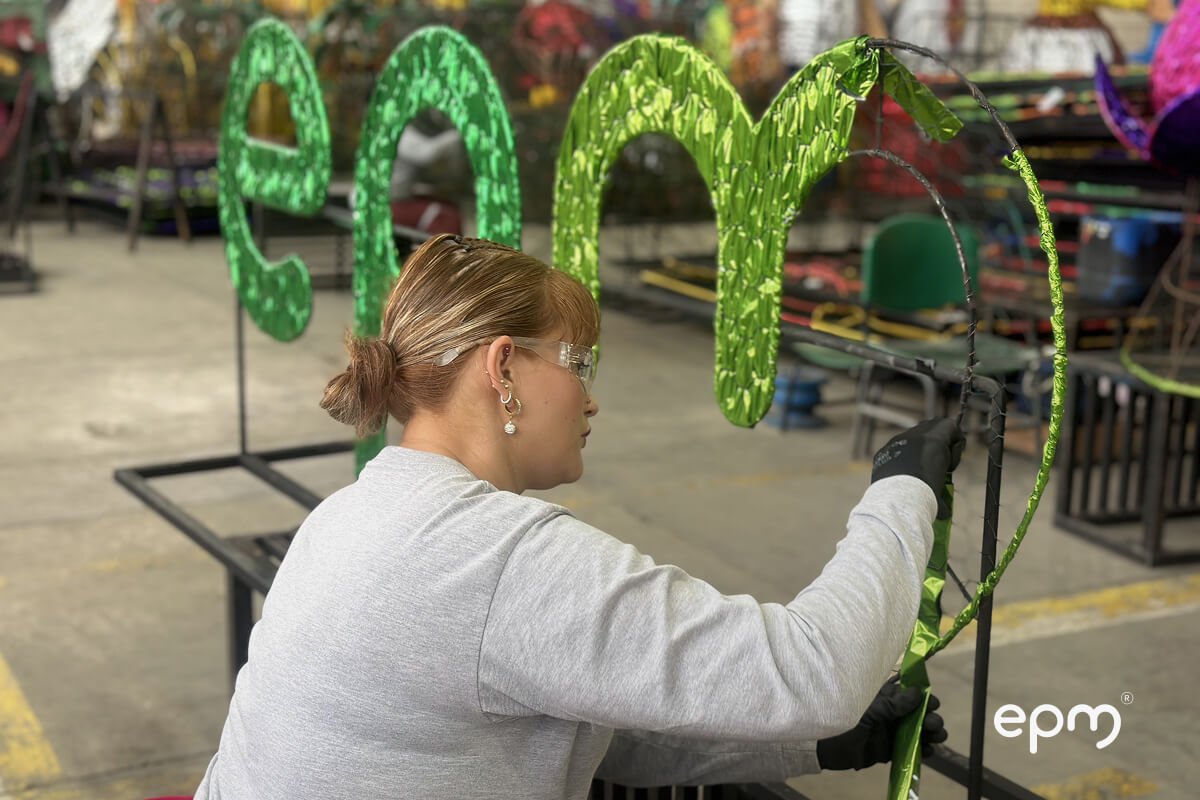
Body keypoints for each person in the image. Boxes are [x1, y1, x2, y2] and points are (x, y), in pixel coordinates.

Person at [193, 234, 961, 799]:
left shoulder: (349, 514)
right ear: (502, 370)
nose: (591, 399)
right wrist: (902, 490)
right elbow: (813, 671)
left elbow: (585, 735)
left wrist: (810, 748)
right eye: (579, 363)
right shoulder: (495, 560)